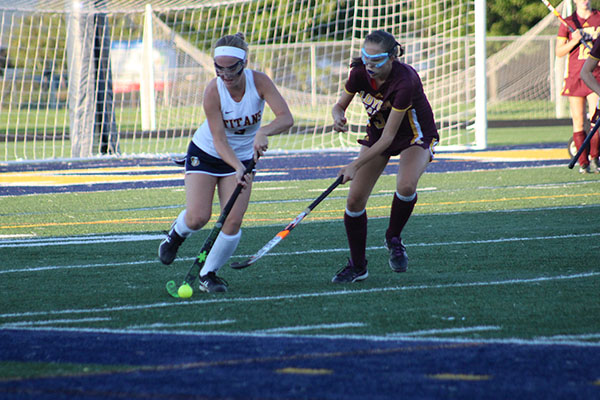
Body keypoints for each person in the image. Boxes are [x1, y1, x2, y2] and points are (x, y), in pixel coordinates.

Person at [158, 33, 293, 292]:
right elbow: (219, 140)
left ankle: (208, 274)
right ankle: (176, 235)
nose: (225, 75)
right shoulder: (213, 91)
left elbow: (286, 118)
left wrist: (264, 131)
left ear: (243, 63)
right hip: (208, 152)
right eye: (219, 68)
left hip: (243, 157)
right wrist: (238, 167)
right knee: (199, 217)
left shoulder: (260, 82)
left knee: (232, 221)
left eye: (231, 69)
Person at [330, 30, 439, 283]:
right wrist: (337, 117)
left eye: (376, 60)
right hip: (379, 134)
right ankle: (358, 267)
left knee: (406, 184)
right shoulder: (359, 73)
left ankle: (393, 237)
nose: (369, 65)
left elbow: (390, 138)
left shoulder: (405, 80)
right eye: (366, 58)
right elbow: (339, 105)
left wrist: (354, 165)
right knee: (355, 200)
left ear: (392, 57)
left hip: (414, 135)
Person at [556, 0, 600, 173]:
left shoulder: (598, 18)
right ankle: (583, 163)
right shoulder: (568, 22)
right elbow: (559, 52)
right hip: (575, 75)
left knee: (595, 118)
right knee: (578, 120)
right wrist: (575, 41)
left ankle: (595, 158)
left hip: (595, 75)